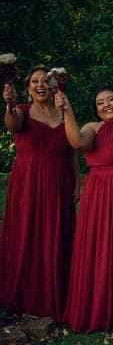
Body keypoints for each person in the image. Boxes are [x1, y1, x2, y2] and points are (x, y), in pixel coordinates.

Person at [59, 86, 113, 332]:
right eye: (100, 103)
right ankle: (98, 309)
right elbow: (77, 141)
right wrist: (67, 111)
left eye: (111, 100)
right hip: (102, 198)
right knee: (103, 248)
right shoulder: (93, 128)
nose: (106, 105)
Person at [0, 66, 78, 320]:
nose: (40, 84)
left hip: (59, 182)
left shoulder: (64, 111)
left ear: (54, 84)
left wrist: (78, 184)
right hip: (29, 184)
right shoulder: (21, 111)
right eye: (35, 81)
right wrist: (9, 106)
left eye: (46, 80)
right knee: (26, 234)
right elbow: (11, 125)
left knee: (58, 233)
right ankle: (24, 296)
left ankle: (58, 294)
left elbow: (72, 151)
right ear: (28, 87)